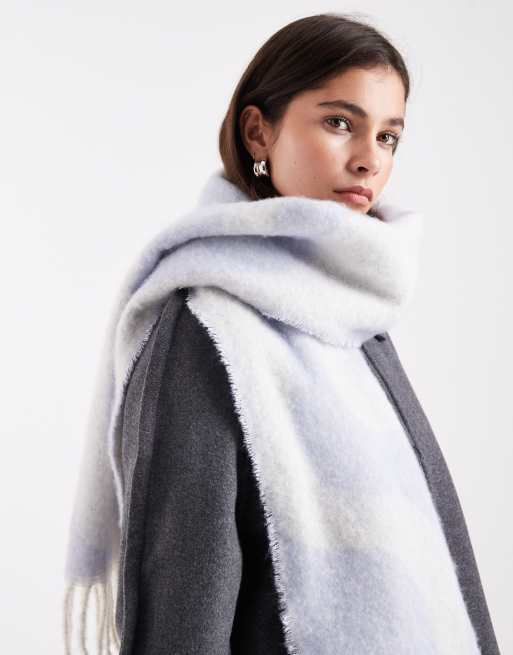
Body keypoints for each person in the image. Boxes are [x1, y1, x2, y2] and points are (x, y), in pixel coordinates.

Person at [63, 13, 501, 655]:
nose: (368, 159)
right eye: (340, 123)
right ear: (258, 131)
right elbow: (182, 603)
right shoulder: (206, 326)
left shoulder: (360, 321)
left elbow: (444, 574)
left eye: (388, 136)